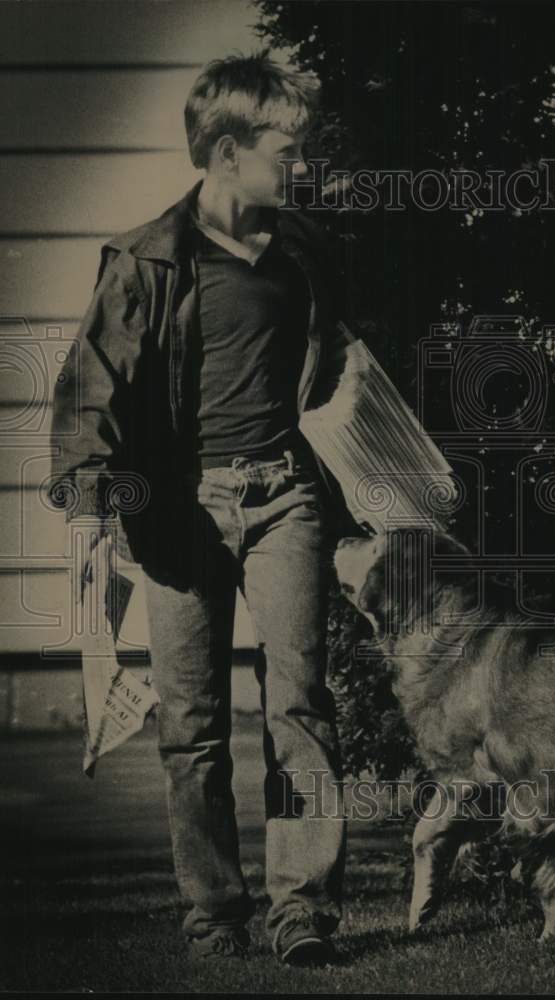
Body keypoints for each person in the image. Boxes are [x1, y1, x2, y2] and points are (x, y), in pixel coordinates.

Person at [49, 51, 358, 965]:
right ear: (226, 155)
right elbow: (88, 389)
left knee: (300, 703)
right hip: (180, 509)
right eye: (286, 148)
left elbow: (343, 368)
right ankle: (214, 915)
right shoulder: (147, 259)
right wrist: (91, 502)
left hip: (283, 498)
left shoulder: (303, 253)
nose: (300, 164)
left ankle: (302, 908)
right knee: (193, 729)